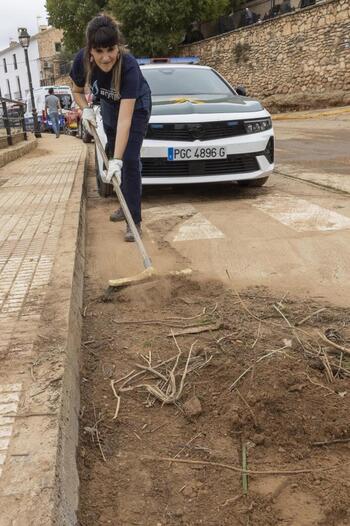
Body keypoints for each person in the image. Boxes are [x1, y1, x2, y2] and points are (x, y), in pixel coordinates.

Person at [70, 14, 152, 242]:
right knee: (112, 152)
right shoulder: (81, 61)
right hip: (108, 105)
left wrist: (118, 160)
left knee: (129, 160)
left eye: (111, 49)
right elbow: (76, 91)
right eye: (99, 51)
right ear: (90, 51)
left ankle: (133, 220)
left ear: (118, 46)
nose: (106, 58)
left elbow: (126, 118)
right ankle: (125, 204)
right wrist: (85, 109)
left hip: (135, 108)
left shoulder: (129, 67)